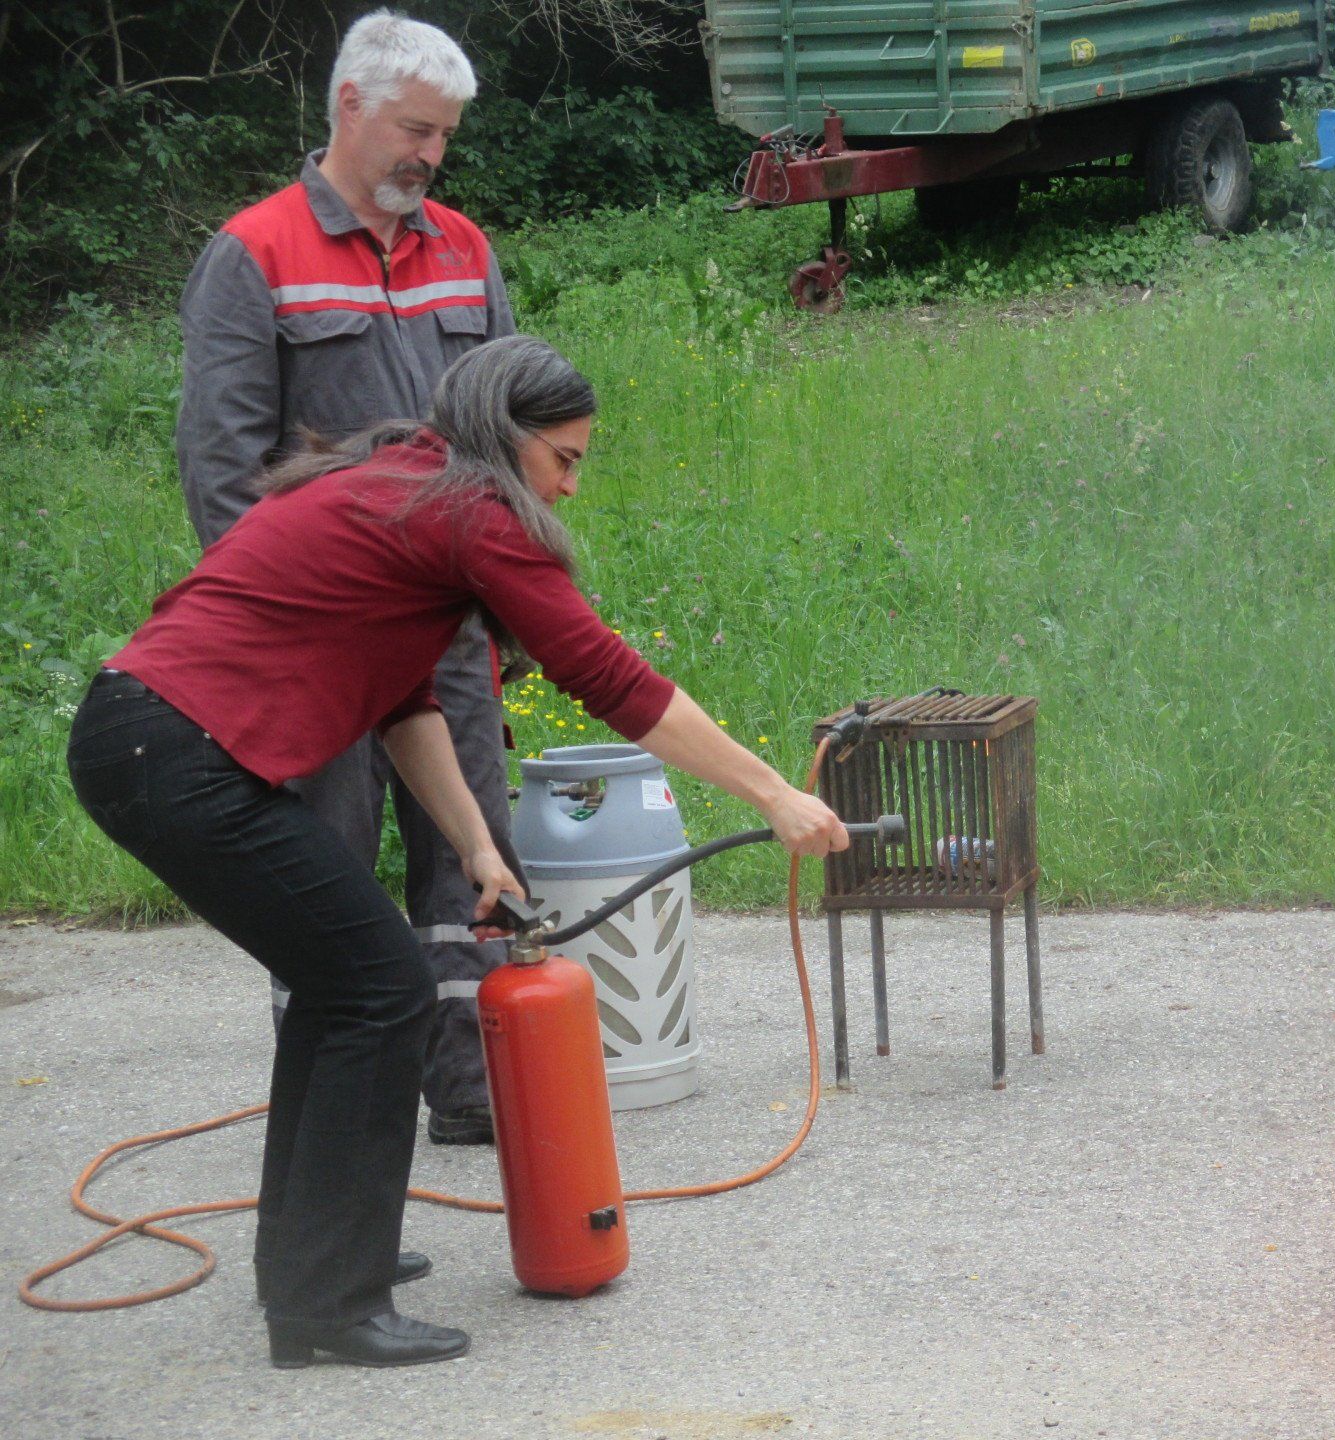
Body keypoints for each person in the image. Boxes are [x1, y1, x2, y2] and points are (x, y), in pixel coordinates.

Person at [68, 336, 850, 1368]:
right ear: (505, 438)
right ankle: (328, 1308)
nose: (570, 486)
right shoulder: (468, 510)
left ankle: (308, 1265)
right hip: (178, 754)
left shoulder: (404, 487)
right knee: (379, 988)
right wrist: (774, 791)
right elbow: (606, 676)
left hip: (147, 742)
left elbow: (404, 704)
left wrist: (480, 848)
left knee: (342, 983)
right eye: (563, 459)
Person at [176, 8, 516, 1147]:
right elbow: (224, 469)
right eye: (416, 129)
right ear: (348, 106)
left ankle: (472, 1092)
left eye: (447, 136)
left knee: (472, 856)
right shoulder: (255, 251)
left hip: (447, 631)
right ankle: (332, 1131)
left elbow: (509, 436)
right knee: (320, 874)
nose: (431, 154)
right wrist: (291, 630)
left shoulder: (465, 248)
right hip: (317, 645)